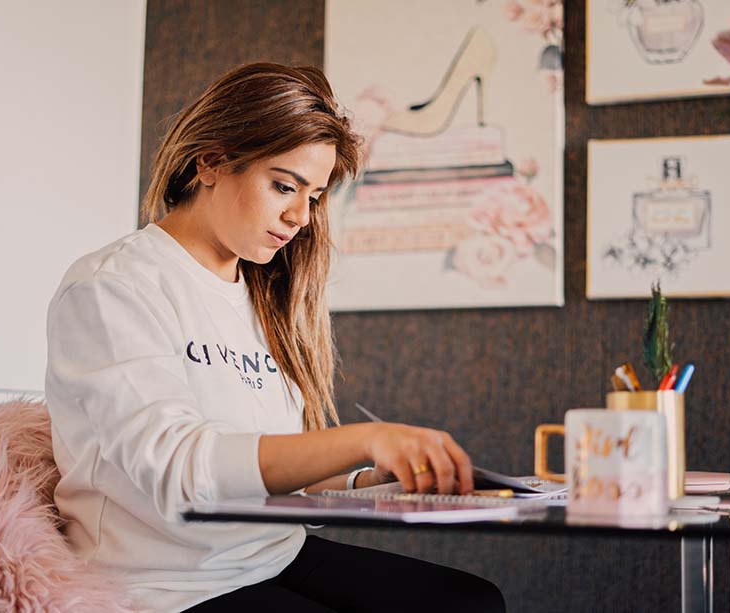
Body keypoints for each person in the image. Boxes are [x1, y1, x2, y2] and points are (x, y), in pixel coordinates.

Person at [45, 62, 505, 613]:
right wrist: (365, 438)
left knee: (472, 602)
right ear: (211, 161)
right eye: (284, 186)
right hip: (167, 585)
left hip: (271, 554)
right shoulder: (112, 286)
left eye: (312, 196)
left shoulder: (262, 293)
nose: (300, 217)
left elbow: (274, 478)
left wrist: (374, 480)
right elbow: (180, 469)